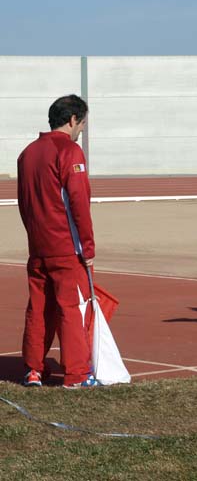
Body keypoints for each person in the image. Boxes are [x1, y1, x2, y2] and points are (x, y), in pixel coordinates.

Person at [17, 94, 99, 388]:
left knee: (38, 308)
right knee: (71, 308)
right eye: (82, 124)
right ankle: (76, 374)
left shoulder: (27, 154)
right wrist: (87, 248)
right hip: (65, 248)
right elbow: (79, 202)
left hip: (37, 247)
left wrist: (35, 236)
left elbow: (24, 202)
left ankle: (33, 369)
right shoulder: (69, 152)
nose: (81, 131)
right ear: (73, 119)